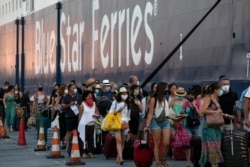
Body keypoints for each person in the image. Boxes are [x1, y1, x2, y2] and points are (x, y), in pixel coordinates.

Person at [199, 82, 235, 167]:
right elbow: (202, 110)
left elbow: (218, 112)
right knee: (213, 147)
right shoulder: (208, 98)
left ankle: (214, 164)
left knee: (217, 146)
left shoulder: (216, 99)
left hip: (216, 126)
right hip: (209, 126)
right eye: (220, 89)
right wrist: (215, 111)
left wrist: (226, 115)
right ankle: (214, 165)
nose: (221, 90)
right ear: (215, 90)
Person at [144, 82, 171, 167]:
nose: (167, 89)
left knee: (166, 143)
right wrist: (147, 125)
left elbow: (167, 111)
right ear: (162, 89)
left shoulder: (166, 98)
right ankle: (158, 162)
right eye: (166, 88)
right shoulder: (153, 99)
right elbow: (150, 113)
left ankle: (163, 159)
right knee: (157, 143)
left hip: (166, 120)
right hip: (155, 121)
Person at [78, 90, 100, 158]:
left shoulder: (94, 104)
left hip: (92, 123)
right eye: (88, 95)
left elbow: (97, 113)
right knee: (83, 139)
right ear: (85, 97)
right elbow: (80, 115)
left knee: (91, 139)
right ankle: (83, 152)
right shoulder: (82, 105)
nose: (90, 97)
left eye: (91, 95)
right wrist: (79, 125)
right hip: (84, 124)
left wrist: (96, 115)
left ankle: (90, 152)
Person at [183, 88, 202, 167]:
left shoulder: (198, 102)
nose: (189, 96)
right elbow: (183, 113)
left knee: (197, 143)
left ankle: (196, 159)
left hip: (196, 125)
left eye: (191, 95)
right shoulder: (185, 103)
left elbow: (200, 114)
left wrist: (195, 106)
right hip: (187, 125)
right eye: (188, 94)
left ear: (194, 95)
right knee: (188, 143)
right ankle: (187, 160)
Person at [112, 86, 130, 165]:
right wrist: (117, 111)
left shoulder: (128, 103)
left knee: (122, 142)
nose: (124, 94)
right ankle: (121, 158)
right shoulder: (115, 102)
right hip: (117, 123)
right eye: (123, 93)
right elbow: (111, 112)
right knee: (118, 141)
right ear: (120, 94)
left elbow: (129, 115)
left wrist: (128, 124)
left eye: (125, 93)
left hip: (125, 123)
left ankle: (118, 157)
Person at [61, 84, 78, 149]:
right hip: (69, 116)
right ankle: (67, 144)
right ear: (69, 89)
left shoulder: (77, 96)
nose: (74, 89)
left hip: (77, 115)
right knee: (69, 130)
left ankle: (75, 143)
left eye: (75, 87)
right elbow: (63, 107)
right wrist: (69, 104)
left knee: (76, 130)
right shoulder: (66, 97)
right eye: (73, 88)